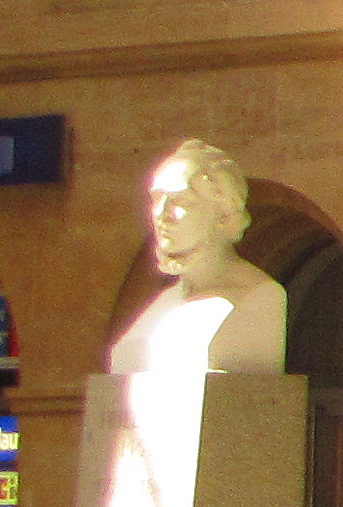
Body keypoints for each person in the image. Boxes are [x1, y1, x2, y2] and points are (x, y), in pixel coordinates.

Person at [108, 138, 289, 373]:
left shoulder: (260, 296)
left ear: (222, 213)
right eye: (156, 200)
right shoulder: (164, 302)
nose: (161, 214)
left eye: (180, 201)